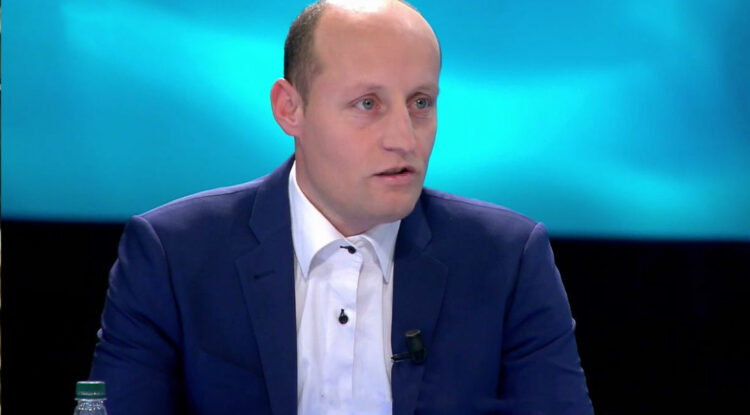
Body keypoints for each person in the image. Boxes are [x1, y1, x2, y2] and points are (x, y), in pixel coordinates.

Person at [90, 1, 594, 414]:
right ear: (290, 108)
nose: (404, 139)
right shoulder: (173, 255)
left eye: (420, 102)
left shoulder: (507, 261)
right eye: (367, 104)